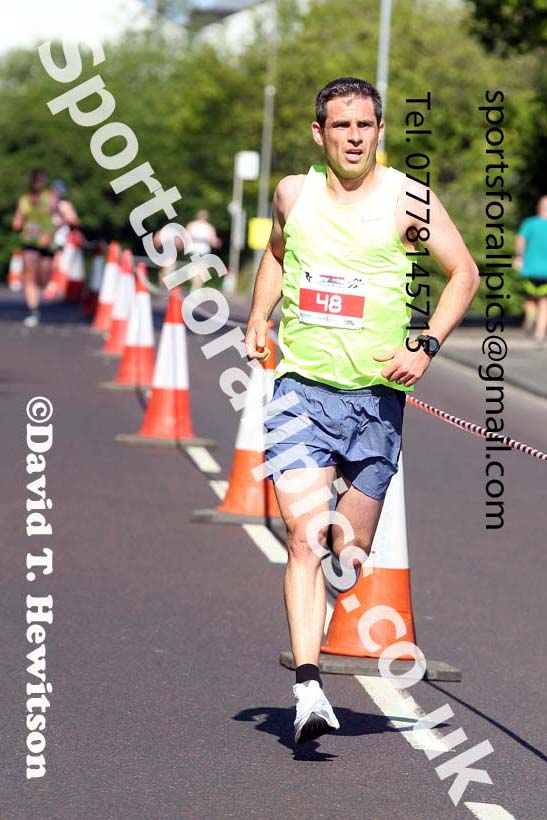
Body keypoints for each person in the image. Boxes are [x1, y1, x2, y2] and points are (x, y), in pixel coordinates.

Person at [245, 77, 479, 745]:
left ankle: (322, 637)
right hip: (301, 391)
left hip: (375, 400)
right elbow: (276, 252)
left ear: (378, 131)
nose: (353, 136)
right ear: (318, 133)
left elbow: (462, 271)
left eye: (364, 125)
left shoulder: (411, 198)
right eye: (341, 125)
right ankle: (308, 684)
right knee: (300, 539)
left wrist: (426, 343)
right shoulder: (294, 193)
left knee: (346, 554)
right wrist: (260, 317)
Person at [11, 169, 60, 327]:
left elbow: (62, 218)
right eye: (37, 180)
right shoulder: (24, 199)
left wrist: (51, 233)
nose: (40, 183)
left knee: (43, 278)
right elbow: (18, 219)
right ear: (32, 182)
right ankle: (33, 310)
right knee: (30, 276)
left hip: (46, 243)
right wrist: (17, 223)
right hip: (29, 241)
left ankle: (41, 290)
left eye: (42, 180)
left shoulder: (50, 198)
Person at [514, 196, 547, 345]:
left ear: (538, 207)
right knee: (544, 302)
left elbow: (520, 241)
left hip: (530, 269)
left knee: (530, 299)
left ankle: (531, 314)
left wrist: (519, 257)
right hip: (545, 271)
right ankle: (539, 334)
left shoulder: (529, 224)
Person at [43, 179, 81, 300]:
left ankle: (54, 286)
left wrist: (66, 218)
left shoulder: (65, 205)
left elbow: (75, 220)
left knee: (57, 262)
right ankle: (50, 284)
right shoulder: (45, 203)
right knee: (47, 262)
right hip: (47, 236)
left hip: (60, 238)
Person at [185, 210, 222, 289]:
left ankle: (196, 289)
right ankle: (195, 287)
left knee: (201, 272)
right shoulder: (192, 225)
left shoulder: (209, 227)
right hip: (193, 252)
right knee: (194, 272)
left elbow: (213, 240)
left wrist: (216, 242)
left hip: (204, 252)